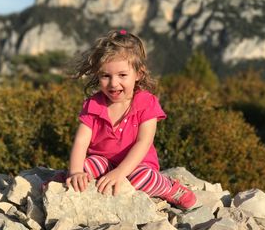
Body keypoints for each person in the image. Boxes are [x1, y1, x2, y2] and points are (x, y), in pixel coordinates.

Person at [64, 29, 196, 210]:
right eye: (105, 76)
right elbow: (81, 141)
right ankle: (68, 180)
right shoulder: (93, 104)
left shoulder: (146, 102)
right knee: (87, 166)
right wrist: (76, 172)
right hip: (105, 164)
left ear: (139, 74)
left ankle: (169, 187)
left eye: (122, 75)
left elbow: (144, 142)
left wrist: (120, 172)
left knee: (141, 178)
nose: (113, 83)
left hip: (137, 165)